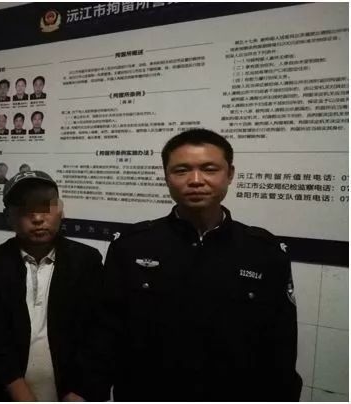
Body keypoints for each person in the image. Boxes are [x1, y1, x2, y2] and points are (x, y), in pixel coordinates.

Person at [67, 128, 303, 402]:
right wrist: (84, 391)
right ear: (166, 177)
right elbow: (106, 330)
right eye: (181, 170)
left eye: (209, 169)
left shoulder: (264, 252)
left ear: (230, 174)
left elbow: (281, 347)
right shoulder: (132, 246)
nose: (196, 180)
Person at [0, 170, 103, 401]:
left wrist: (80, 391)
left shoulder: (86, 261)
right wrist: (21, 394)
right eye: (25, 209)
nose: (37, 218)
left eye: (46, 206)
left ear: (61, 210)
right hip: (5, 392)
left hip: (72, 393)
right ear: (8, 217)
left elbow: (99, 333)